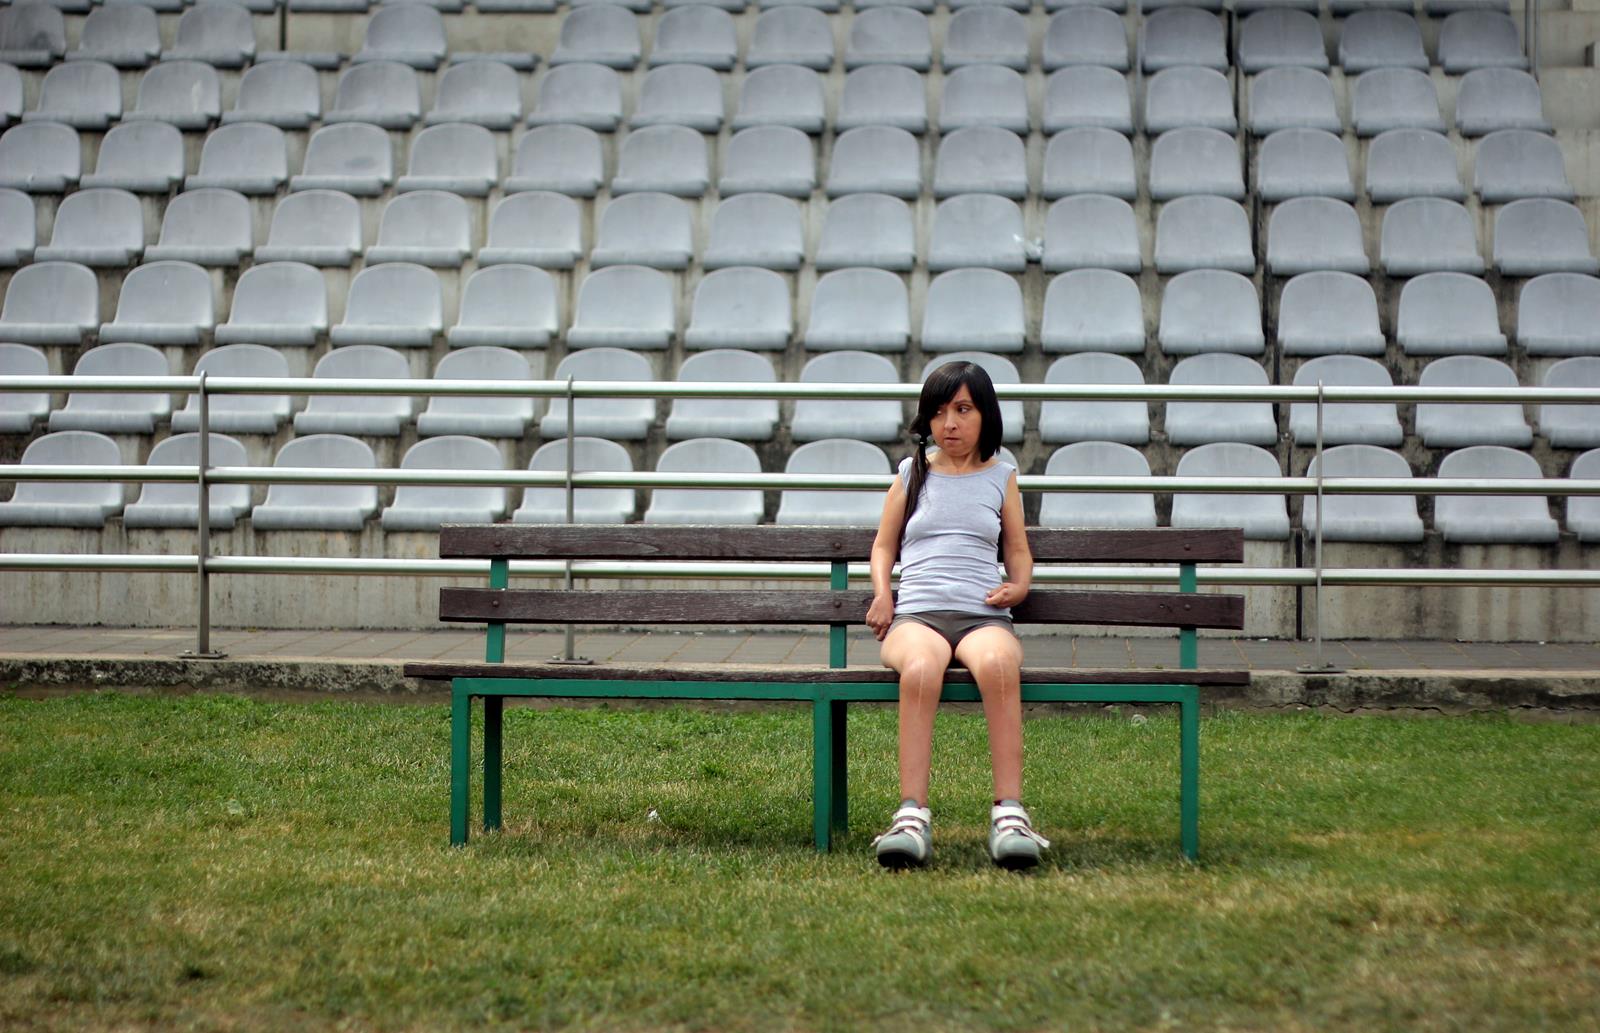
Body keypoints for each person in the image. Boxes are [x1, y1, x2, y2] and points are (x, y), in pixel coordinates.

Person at [865, 360, 1050, 870]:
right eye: (940, 412)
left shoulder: (1001, 477)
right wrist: (883, 595)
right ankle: (911, 816)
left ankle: (1010, 814)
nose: (950, 424)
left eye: (963, 410)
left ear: (985, 415)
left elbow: (1018, 550)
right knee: (921, 668)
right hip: (916, 618)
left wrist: (1020, 585)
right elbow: (883, 547)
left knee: (998, 665)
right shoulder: (912, 474)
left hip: (982, 616)